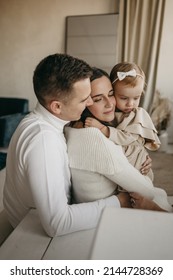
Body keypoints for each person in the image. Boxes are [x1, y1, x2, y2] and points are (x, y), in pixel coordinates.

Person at [3, 53, 132, 237]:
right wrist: (120, 202)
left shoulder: (42, 121)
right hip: (33, 236)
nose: (89, 102)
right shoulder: (44, 142)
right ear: (56, 106)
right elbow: (58, 224)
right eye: (83, 99)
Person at [65, 67, 172, 212]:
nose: (110, 104)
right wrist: (141, 173)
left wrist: (138, 155)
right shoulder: (94, 138)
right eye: (98, 99)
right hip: (110, 212)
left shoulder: (72, 128)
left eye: (111, 94)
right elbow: (147, 192)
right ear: (85, 101)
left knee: (162, 195)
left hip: (105, 202)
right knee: (158, 199)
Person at [86, 63, 161, 181]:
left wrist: (104, 129)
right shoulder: (93, 123)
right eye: (123, 98)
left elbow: (131, 139)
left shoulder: (136, 115)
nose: (130, 104)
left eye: (136, 98)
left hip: (139, 169)